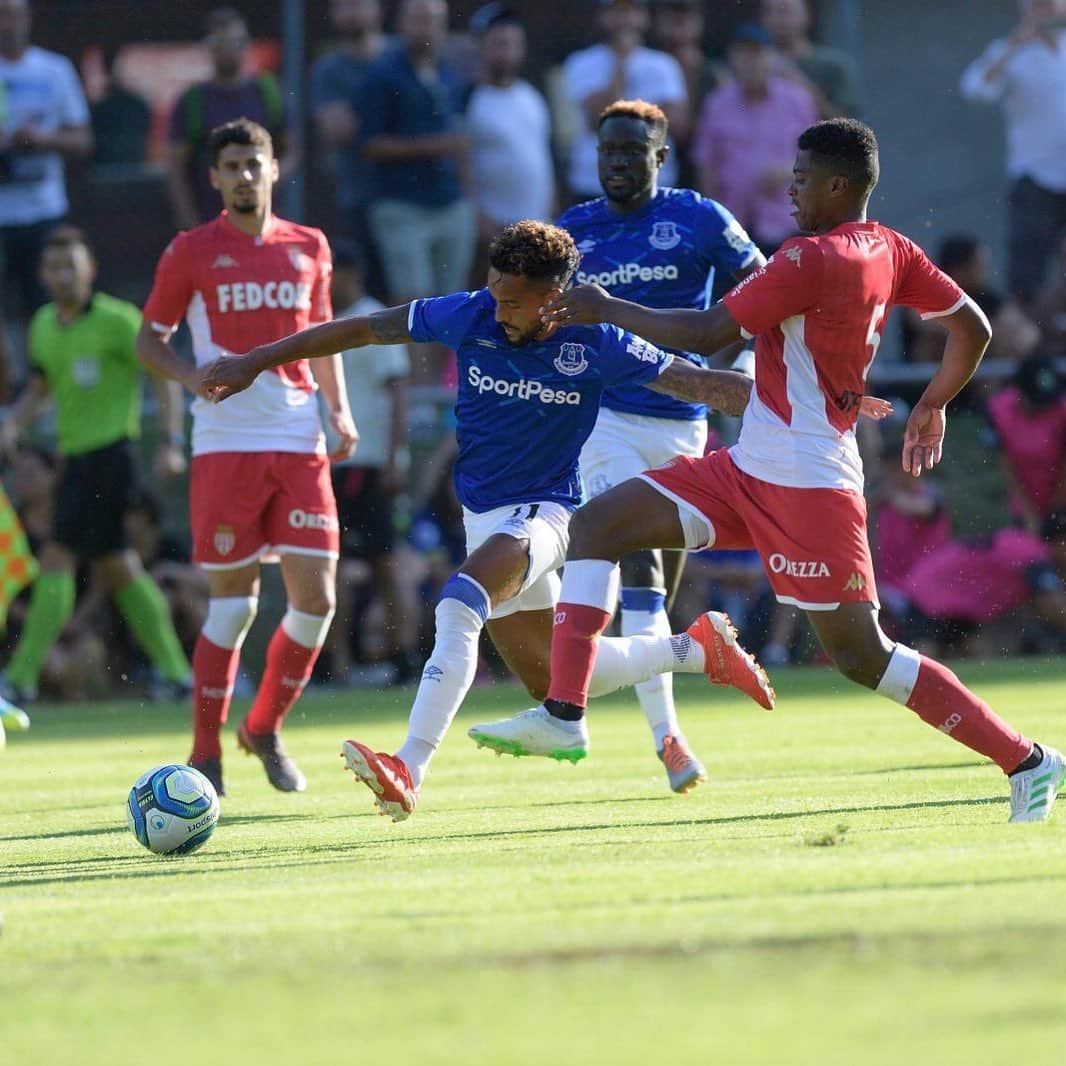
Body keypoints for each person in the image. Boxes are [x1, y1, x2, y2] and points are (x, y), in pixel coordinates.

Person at [480, 119, 1065, 824]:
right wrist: (933, 403)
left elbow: (706, 334)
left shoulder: (808, 259)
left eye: (802, 176)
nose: (788, 187)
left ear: (838, 185)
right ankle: (564, 712)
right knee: (599, 525)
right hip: (748, 463)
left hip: (808, 483)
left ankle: (1029, 760)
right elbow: (972, 324)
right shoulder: (892, 248)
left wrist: (606, 311)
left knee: (862, 657)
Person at [201, 219, 776, 821]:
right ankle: (695, 649)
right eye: (495, 292)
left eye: (513, 301)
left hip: (548, 513)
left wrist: (813, 408)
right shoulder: (470, 314)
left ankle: (408, 766)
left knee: (457, 603)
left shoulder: (598, 341)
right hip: (486, 519)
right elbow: (366, 329)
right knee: (550, 678)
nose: (499, 310)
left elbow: (704, 384)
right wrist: (259, 359)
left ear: (554, 296)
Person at [137, 118, 357, 798]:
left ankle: (263, 727)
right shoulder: (191, 251)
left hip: (298, 440)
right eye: (229, 166)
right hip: (226, 445)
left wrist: (338, 408)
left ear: (273, 168)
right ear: (214, 177)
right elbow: (149, 340)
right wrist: (188, 376)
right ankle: (206, 755)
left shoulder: (308, 246)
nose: (242, 176)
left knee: (316, 600)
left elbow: (321, 338)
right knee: (232, 608)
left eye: (252, 164)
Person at [558, 98, 765, 793]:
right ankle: (669, 742)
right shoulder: (574, 231)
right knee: (638, 569)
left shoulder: (699, 218)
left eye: (631, 151)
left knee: (659, 598)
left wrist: (733, 371)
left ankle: (681, 657)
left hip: (684, 423)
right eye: (607, 151)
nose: (617, 162)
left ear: (660, 155)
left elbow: (763, 287)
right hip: (604, 422)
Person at [0, 225, 191, 719]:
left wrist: (171, 441)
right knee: (119, 567)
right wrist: (13, 424)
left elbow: (164, 374)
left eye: (72, 266)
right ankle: (177, 673)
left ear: (91, 271)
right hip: (74, 458)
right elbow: (42, 388)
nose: (63, 276)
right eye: (54, 267)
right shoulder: (43, 325)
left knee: (60, 559)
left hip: (110, 456)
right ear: (42, 274)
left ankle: (18, 679)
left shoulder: (119, 321)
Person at [359, 0, 476, 382]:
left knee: (451, 305)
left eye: (436, 21)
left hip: (450, 203)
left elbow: (459, 141)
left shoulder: (448, 73)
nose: (428, 28)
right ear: (402, 23)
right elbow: (370, 145)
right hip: (401, 205)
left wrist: (467, 194)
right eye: (419, 19)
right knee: (412, 302)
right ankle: (414, 398)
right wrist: (435, 146)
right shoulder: (382, 75)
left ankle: (436, 395)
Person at [325, 241, 419, 686]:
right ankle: (337, 663)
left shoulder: (372, 317)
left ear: (350, 274)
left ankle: (403, 653)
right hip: (331, 464)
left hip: (368, 461)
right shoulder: (322, 323)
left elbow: (397, 392)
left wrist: (395, 456)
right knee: (332, 566)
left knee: (383, 563)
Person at [0, 0, 92, 400]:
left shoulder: (54, 71)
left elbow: (83, 140)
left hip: (43, 211)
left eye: (14, 13)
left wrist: (41, 141)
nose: (8, 23)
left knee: (50, 302)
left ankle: (52, 388)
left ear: (28, 18)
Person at [960, 0, 1066, 307]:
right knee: (1027, 269)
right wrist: (1016, 43)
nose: (1045, 11)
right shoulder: (1007, 51)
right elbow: (976, 88)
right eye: (1038, 5)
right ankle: (1029, 340)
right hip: (1035, 176)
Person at [166, 7, 297, 231]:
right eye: (220, 44)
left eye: (235, 42)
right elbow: (175, 170)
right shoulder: (193, 101)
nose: (228, 50)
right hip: (210, 225)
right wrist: (190, 225)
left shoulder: (267, 92)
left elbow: (292, 151)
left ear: (246, 45)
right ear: (209, 48)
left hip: (264, 226)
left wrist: (262, 181)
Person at [692, 23, 818, 254]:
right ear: (731, 58)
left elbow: (817, 159)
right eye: (743, 53)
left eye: (757, 53)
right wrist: (712, 222)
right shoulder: (717, 103)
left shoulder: (797, 101)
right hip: (734, 223)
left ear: (772, 57)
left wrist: (786, 173)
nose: (750, 61)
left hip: (787, 219)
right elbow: (706, 165)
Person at [561, 0, 688, 202]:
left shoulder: (664, 65)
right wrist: (621, 64)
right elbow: (598, 121)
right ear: (602, 17)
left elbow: (677, 126)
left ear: (644, 17)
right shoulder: (581, 62)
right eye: (616, 12)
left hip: (655, 185)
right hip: (593, 185)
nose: (623, 20)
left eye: (630, 11)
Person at [465, 3, 554, 279]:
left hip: (536, 227)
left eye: (515, 43)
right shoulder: (469, 99)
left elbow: (544, 157)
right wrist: (477, 216)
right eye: (500, 43)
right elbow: (461, 162)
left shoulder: (531, 96)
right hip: (491, 230)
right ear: (481, 46)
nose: (508, 51)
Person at [309, 0, 389, 300]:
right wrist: (395, 117)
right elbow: (336, 129)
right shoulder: (329, 68)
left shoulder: (398, 55)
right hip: (357, 196)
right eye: (345, 5)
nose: (353, 11)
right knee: (368, 292)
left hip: (411, 197)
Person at [986, 355, 1066, 532]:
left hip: (1060, 496)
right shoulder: (999, 410)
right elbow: (1007, 467)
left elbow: (1064, 469)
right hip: (1024, 498)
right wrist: (1029, 514)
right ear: (1019, 392)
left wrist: (1054, 513)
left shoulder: (1062, 410)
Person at [760, 0, 861, 117]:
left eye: (783, 10)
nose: (775, 18)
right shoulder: (751, 66)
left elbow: (846, 124)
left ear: (807, 15)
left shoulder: (834, 66)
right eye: (768, 11)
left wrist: (797, 82)